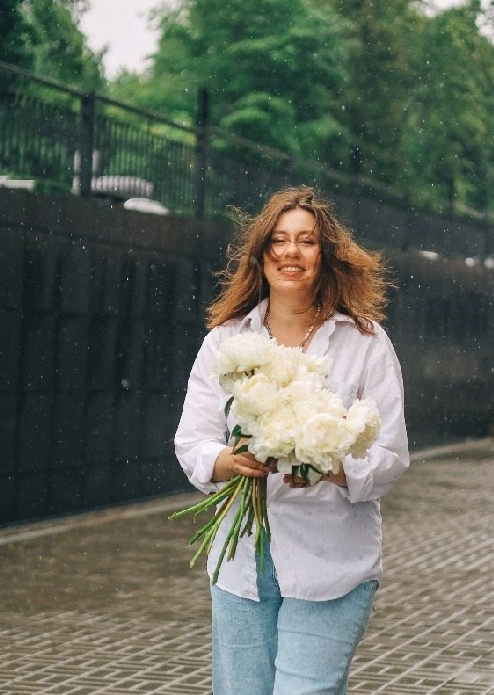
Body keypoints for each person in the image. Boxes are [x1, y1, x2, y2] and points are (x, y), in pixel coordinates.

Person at [173, 186, 412, 694]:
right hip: (242, 562)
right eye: (279, 241)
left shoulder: (365, 344)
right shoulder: (226, 341)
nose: (290, 252)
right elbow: (192, 440)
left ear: (325, 256)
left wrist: (332, 464)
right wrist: (227, 462)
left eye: (306, 241)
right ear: (261, 255)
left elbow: (391, 455)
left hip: (332, 561)